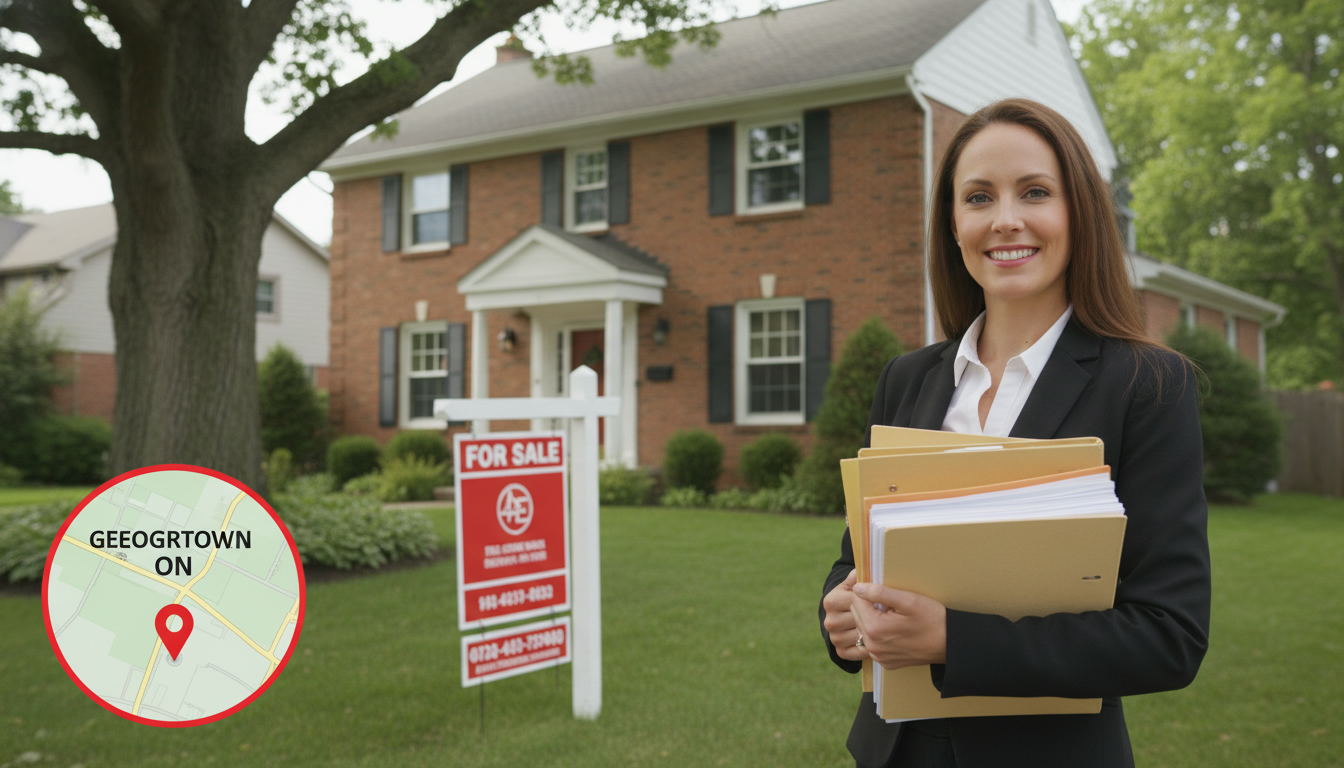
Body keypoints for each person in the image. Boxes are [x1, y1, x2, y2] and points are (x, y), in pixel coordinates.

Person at [818, 98, 1211, 768]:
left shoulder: (1147, 386)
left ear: (1078, 210)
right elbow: (858, 557)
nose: (1005, 220)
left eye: (1035, 192)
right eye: (978, 197)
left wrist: (952, 640)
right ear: (952, 223)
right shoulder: (907, 378)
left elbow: (1168, 635)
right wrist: (839, 615)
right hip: (895, 752)